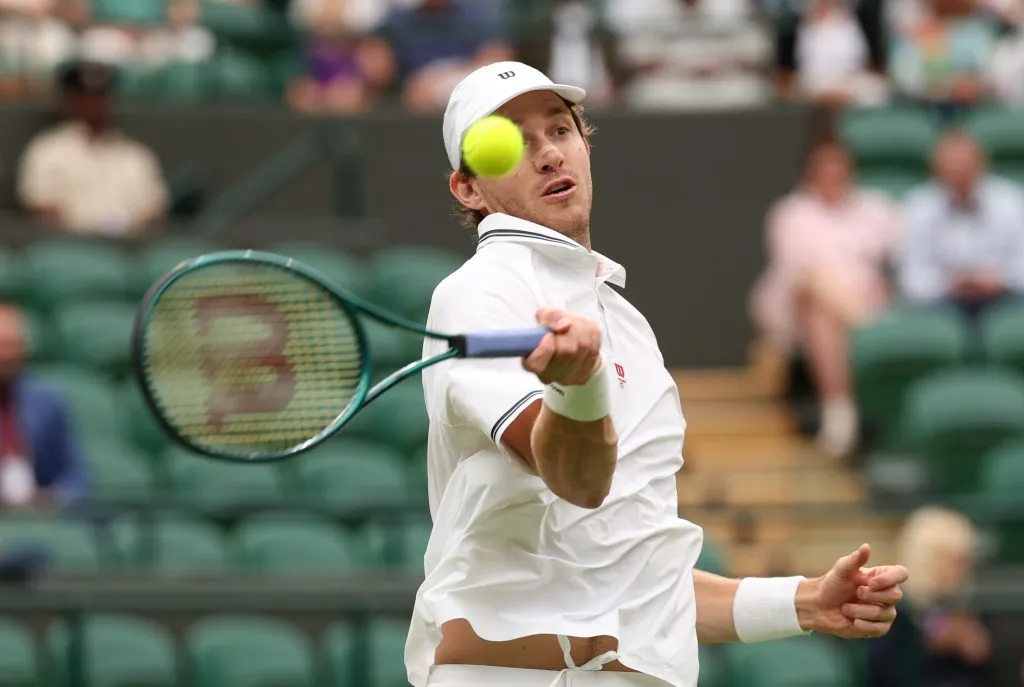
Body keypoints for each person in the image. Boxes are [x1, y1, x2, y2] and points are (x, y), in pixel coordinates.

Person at [409, 60, 909, 687]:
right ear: (468, 189)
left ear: (584, 145)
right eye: (511, 142)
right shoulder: (478, 292)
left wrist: (805, 602)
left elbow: (643, 580)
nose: (548, 154)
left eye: (560, 130)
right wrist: (579, 388)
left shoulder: (628, 327)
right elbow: (576, 479)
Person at [750, 139, 902, 457]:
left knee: (823, 312)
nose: (832, 173)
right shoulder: (790, 213)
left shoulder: (876, 208)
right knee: (815, 298)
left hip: (867, 299)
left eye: (838, 165)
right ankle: (842, 398)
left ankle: (839, 411)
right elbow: (796, 271)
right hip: (800, 307)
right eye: (824, 166)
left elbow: (900, 258)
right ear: (811, 171)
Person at [16, 60, 168, 235]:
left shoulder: (136, 155)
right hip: (70, 243)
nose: (93, 105)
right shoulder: (46, 150)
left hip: (129, 244)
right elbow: (41, 208)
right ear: (69, 101)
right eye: (84, 98)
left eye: (99, 97)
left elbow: (155, 211)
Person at [898, 130, 1024, 324]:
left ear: (982, 165)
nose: (959, 173)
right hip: (943, 302)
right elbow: (911, 277)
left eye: (965, 164)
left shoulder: (1011, 202)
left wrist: (997, 280)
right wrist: (950, 283)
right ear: (935, 170)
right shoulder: (919, 206)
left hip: (1005, 297)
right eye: (951, 166)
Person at [868, 506, 992, 687]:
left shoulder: (967, 607)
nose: (963, 571)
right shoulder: (896, 607)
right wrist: (930, 644)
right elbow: (886, 670)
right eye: (955, 562)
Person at [0, 304, 87, 509]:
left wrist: (55, 498)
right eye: (1, 345)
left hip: (38, 513)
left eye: (13, 345)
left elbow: (75, 476)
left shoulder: (46, 402)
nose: (6, 355)